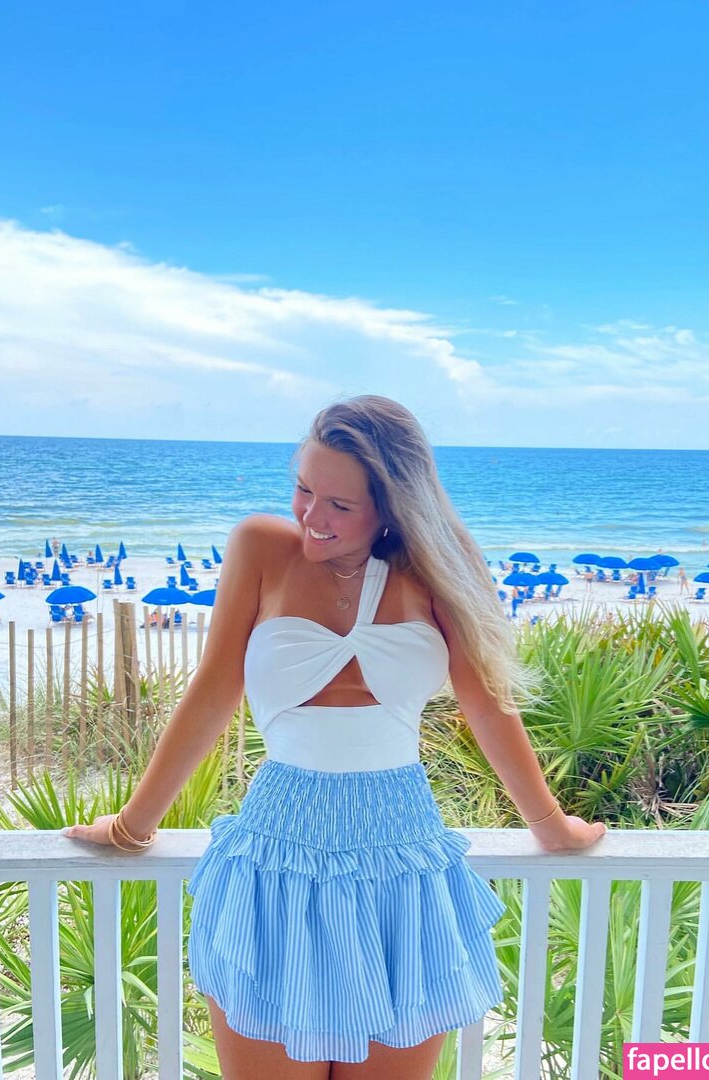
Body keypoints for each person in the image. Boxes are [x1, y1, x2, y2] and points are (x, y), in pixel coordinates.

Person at [63, 396, 605, 1079]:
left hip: (401, 868)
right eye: (303, 490)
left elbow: (486, 704)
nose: (311, 516)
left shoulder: (436, 568)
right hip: (274, 863)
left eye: (340, 505)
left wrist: (552, 826)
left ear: (392, 507)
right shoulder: (261, 547)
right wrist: (132, 826)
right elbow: (213, 690)